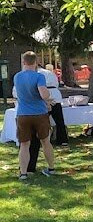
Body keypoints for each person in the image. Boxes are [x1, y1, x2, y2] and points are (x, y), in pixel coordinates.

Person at [13, 52, 56, 181]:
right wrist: (48, 95)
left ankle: (23, 173)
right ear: (36, 62)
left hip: (23, 114)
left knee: (24, 144)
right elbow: (44, 95)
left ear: (23, 62)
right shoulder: (39, 76)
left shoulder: (17, 77)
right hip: (39, 113)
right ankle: (51, 168)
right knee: (45, 141)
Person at [41, 63, 68, 146]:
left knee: (42, 120)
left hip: (45, 94)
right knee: (59, 120)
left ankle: (43, 139)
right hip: (55, 95)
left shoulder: (37, 74)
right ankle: (62, 139)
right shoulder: (51, 74)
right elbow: (56, 84)